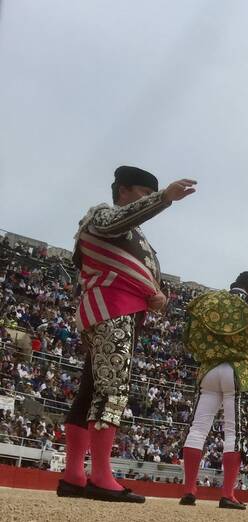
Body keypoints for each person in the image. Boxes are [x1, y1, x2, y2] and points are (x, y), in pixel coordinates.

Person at [58, 167, 196, 503]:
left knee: (91, 390)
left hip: (115, 307)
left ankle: (75, 474)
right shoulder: (101, 215)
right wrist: (164, 198)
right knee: (111, 390)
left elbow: (136, 271)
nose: (148, 199)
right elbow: (112, 225)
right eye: (144, 193)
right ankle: (101, 476)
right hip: (112, 307)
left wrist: (156, 294)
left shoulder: (131, 234)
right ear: (124, 190)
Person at [179, 271, 248, 510]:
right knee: (233, 434)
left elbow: (188, 336)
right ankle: (227, 494)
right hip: (237, 371)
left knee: (198, 429)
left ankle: (189, 488)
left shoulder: (208, 300)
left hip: (209, 370)